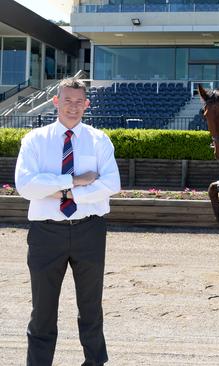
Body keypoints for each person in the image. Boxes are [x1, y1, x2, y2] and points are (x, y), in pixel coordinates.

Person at [15, 77, 121, 366]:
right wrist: (73, 181)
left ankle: (95, 362)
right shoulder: (34, 140)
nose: (72, 107)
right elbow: (25, 187)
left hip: (90, 231)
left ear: (86, 104)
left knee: (91, 307)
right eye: (67, 101)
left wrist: (59, 190)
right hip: (45, 234)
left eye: (78, 101)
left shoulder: (99, 140)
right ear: (55, 102)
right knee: (43, 310)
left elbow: (111, 184)